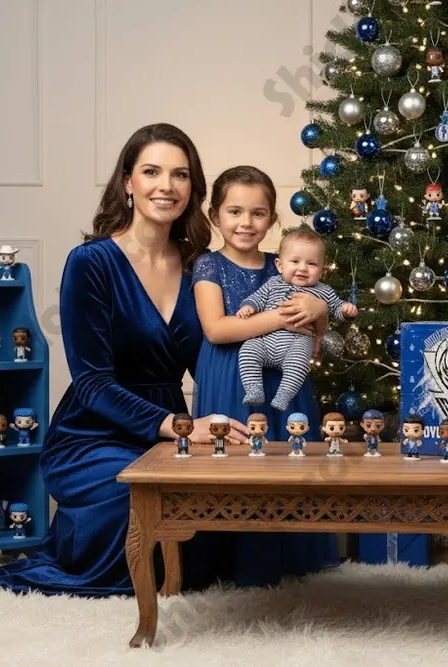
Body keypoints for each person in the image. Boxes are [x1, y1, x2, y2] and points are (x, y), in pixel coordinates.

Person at [0, 123, 249, 597]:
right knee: (140, 499)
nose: (166, 186)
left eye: (180, 175)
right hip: (92, 432)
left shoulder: (200, 267)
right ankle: (77, 544)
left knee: (213, 500)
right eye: (152, 172)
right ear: (127, 182)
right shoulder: (91, 262)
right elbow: (92, 383)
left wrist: (310, 308)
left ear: (193, 187)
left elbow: (219, 354)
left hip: (173, 431)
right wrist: (178, 426)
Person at [191, 165, 341, 587]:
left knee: (285, 455)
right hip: (228, 371)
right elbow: (217, 329)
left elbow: (312, 333)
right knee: (237, 459)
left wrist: (321, 312)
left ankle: (285, 554)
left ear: (272, 218)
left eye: (258, 213)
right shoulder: (209, 266)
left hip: (285, 374)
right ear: (214, 215)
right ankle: (233, 558)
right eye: (235, 211)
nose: (246, 223)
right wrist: (281, 315)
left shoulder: (286, 265)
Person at [236, 226, 358, 410]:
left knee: (299, 365)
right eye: (295, 261)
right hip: (266, 341)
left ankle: (284, 395)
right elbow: (257, 298)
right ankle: (254, 389)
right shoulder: (272, 284)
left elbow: (335, 308)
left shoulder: (323, 291)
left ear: (322, 271)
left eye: (312, 264)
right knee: (248, 349)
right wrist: (248, 307)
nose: (302, 268)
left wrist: (346, 310)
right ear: (279, 265)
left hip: (297, 344)